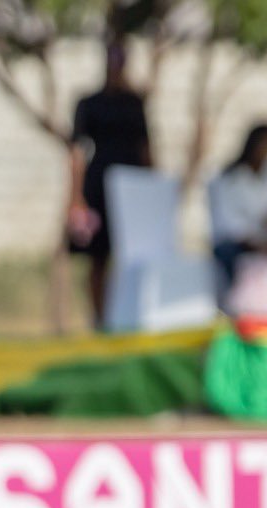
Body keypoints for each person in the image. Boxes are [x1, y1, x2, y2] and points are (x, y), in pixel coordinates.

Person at [67, 37, 152, 327]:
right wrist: (76, 197)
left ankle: (124, 318)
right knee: (97, 258)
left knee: (129, 259)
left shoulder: (134, 104)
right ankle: (100, 321)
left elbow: (146, 148)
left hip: (131, 192)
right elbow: (77, 152)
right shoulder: (89, 104)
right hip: (99, 189)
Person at [209, 123, 267, 287]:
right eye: (262, 143)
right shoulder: (230, 178)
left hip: (265, 240)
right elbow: (229, 224)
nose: (265, 149)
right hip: (234, 243)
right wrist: (257, 244)